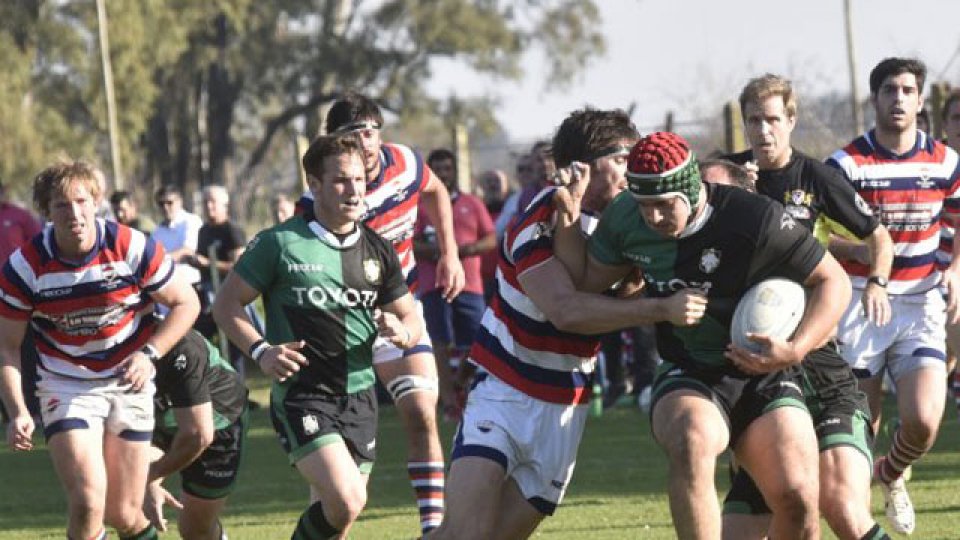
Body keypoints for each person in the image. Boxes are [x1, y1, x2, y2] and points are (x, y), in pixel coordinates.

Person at [557, 132, 852, 539]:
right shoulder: (625, 217)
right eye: (645, 206)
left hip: (764, 374)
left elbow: (834, 281)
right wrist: (568, 220)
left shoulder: (755, 218)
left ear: (692, 190)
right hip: (690, 371)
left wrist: (795, 349)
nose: (653, 218)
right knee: (692, 440)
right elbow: (587, 285)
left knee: (798, 498)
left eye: (664, 206)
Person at [431, 108, 704, 539]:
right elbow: (569, 312)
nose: (633, 174)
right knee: (464, 534)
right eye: (623, 161)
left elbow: (614, 294)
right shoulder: (536, 221)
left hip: (565, 404)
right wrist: (662, 308)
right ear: (581, 168)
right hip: (504, 393)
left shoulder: (628, 223)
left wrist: (638, 274)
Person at [213, 134, 421, 539]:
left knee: (335, 517)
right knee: (346, 500)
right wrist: (261, 350)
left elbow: (409, 319)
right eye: (342, 180)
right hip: (303, 394)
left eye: (360, 180)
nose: (354, 190)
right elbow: (226, 305)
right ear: (315, 184)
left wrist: (403, 331)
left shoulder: (379, 250)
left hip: (360, 396)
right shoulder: (280, 243)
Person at [720, 73, 894, 540]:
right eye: (754, 121)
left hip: (814, 355)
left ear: (791, 119)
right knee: (784, 509)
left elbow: (878, 236)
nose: (763, 131)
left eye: (773, 119)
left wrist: (876, 280)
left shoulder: (815, 177)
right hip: (753, 365)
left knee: (839, 504)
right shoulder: (726, 178)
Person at [0, 160, 200, 540]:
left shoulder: (130, 245)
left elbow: (186, 303)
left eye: (81, 201)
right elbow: (6, 347)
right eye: (61, 205)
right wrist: (17, 412)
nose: (74, 213)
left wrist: (150, 354)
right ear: (46, 211)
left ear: (96, 202)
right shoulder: (25, 266)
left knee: (124, 512)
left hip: (129, 378)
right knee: (88, 502)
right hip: (66, 383)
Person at [297, 91, 465, 534]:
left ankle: (434, 527)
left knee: (422, 411)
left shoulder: (406, 164)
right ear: (334, 142)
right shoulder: (321, 197)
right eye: (354, 134)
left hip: (401, 313)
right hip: (342, 327)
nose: (367, 142)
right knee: (342, 459)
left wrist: (450, 254)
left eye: (372, 131)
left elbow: (436, 190)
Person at [826, 57, 960, 535]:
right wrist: (866, 251)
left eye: (907, 90)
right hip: (861, 303)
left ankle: (893, 473)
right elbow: (816, 235)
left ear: (921, 101)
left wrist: (956, 272)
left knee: (924, 420)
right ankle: (858, 520)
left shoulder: (945, 161)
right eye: (889, 89)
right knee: (861, 428)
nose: (899, 98)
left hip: (920, 302)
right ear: (875, 99)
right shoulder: (844, 165)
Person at [143, 330, 248, 539]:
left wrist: (148, 478)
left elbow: (198, 435)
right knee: (124, 509)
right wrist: (143, 484)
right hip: (153, 425)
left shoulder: (182, 346)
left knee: (195, 529)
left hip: (218, 422)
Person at [414, 148, 496, 419]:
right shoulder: (419, 204)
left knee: (478, 342)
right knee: (439, 341)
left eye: (447, 168)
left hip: (469, 283)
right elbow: (408, 242)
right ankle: (448, 402)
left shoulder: (471, 203)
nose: (443, 174)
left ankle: (462, 384)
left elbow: (491, 238)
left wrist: (467, 250)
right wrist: (437, 252)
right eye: (437, 169)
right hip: (432, 283)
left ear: (454, 171)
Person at [186, 185, 247, 373]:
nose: (209, 206)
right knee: (198, 340)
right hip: (207, 296)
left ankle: (239, 392)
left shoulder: (232, 231)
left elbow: (239, 266)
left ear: (224, 204)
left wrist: (210, 263)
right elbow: (201, 260)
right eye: (205, 202)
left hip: (230, 296)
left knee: (234, 346)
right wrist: (196, 262)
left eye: (213, 202)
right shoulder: (203, 231)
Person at [0, 178, 42, 422]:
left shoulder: (20, 216)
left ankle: (34, 409)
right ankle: (9, 411)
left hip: (20, 294)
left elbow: (39, 249)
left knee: (26, 352)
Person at [151, 184, 204, 289]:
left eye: (169, 203)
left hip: (191, 283)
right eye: (161, 204)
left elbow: (188, 251)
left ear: (180, 202)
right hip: (167, 286)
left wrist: (161, 260)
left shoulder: (191, 221)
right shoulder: (157, 231)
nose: (165, 207)